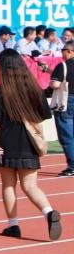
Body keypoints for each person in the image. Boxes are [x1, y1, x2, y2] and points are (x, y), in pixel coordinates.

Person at [0, 49, 62, 241]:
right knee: (30, 186)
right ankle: (48, 212)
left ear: (2, 68)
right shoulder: (33, 89)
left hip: (5, 142)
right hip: (28, 142)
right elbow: (45, 114)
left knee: (8, 184)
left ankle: (13, 225)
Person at [50, 41, 74, 177]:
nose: (62, 53)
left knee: (66, 135)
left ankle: (72, 166)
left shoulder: (63, 65)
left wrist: (51, 82)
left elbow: (56, 84)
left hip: (67, 100)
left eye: (63, 50)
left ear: (69, 51)